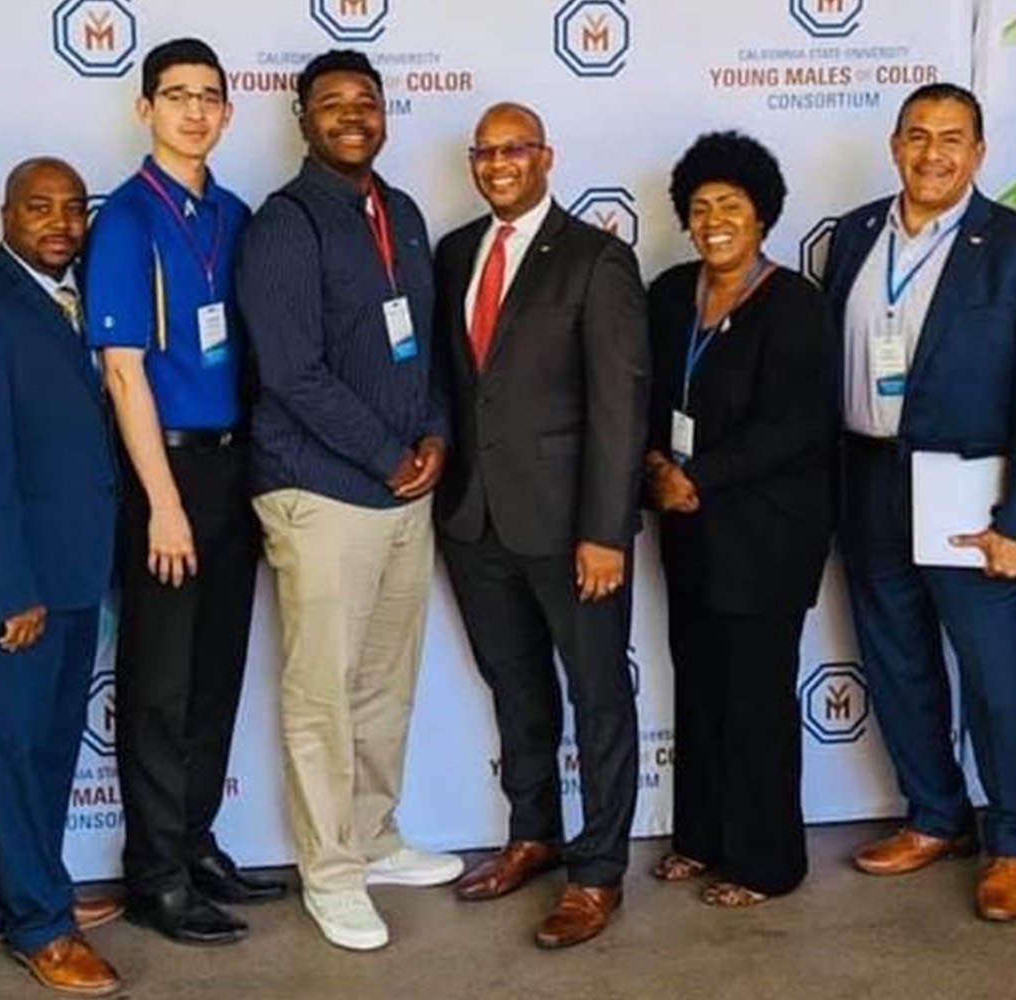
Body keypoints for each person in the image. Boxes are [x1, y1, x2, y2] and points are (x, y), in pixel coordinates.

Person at [819, 82, 1016, 922]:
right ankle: (935, 814)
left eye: (952, 138)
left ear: (978, 151)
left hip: (975, 489)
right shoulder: (856, 234)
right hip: (869, 478)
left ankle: (1012, 841)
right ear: (894, 144)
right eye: (918, 136)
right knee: (895, 659)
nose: (933, 153)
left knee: (998, 677)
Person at [234, 49, 459, 952]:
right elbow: (290, 372)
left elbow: (427, 348)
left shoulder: (398, 212)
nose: (352, 116)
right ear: (302, 120)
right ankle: (329, 874)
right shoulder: (285, 224)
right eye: (332, 105)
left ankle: (370, 837)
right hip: (322, 491)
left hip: (405, 490)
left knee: (384, 684)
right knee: (323, 693)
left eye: (365, 102)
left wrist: (435, 433)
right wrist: (386, 454)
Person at [432, 102, 649, 948]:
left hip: (570, 530)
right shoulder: (456, 252)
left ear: (546, 157)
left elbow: (620, 407)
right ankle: (534, 834)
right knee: (516, 687)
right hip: (476, 521)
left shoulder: (597, 258)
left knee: (598, 697)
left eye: (513, 149)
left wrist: (605, 531)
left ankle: (597, 874)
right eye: (484, 152)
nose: (497, 164)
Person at [82, 36, 283, 949]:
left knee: (216, 673)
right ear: (144, 109)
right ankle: (154, 875)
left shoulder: (235, 213)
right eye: (176, 95)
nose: (195, 111)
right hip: (162, 470)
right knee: (160, 686)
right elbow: (124, 373)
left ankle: (196, 843)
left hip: (235, 466)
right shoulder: (124, 218)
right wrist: (161, 502)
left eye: (210, 96)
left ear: (228, 111)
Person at [0, 157, 124, 997]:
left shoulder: (76, 302)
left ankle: (20, 895)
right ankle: (43, 924)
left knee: (45, 754)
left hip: (75, 574)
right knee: (14, 752)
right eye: (39, 207)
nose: (60, 223)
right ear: (5, 213)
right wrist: (11, 591)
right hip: (15, 589)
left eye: (73, 209)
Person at [643, 132, 837, 910]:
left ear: (763, 215)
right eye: (699, 207)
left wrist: (699, 477)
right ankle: (700, 834)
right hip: (686, 530)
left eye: (731, 205)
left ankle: (766, 862)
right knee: (700, 686)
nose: (714, 220)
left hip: (766, 534)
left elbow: (795, 424)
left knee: (755, 695)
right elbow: (644, 396)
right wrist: (659, 469)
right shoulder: (667, 294)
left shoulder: (795, 304)